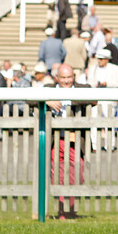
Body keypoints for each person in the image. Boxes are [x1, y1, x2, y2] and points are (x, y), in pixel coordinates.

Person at [46, 64, 94, 219]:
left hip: (75, 141)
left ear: (74, 77)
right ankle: (62, 212)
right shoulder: (48, 88)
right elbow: (29, 101)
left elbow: (93, 99)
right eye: (63, 78)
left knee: (77, 174)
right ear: (56, 78)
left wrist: (68, 100)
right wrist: (46, 100)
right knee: (57, 176)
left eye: (69, 77)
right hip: (56, 140)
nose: (66, 81)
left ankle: (70, 210)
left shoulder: (83, 88)